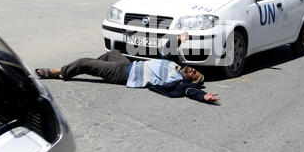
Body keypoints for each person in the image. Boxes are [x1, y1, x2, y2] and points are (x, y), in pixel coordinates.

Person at [35, 33, 220, 104]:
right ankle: (97, 68)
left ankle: (60, 72)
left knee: (85, 63)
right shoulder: (174, 65)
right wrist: (179, 39)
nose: (193, 70)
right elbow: (167, 50)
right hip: (129, 65)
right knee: (111, 53)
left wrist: (202, 96)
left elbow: (187, 91)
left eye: (194, 74)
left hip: (125, 74)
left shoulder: (177, 82)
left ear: (190, 80)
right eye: (195, 70)